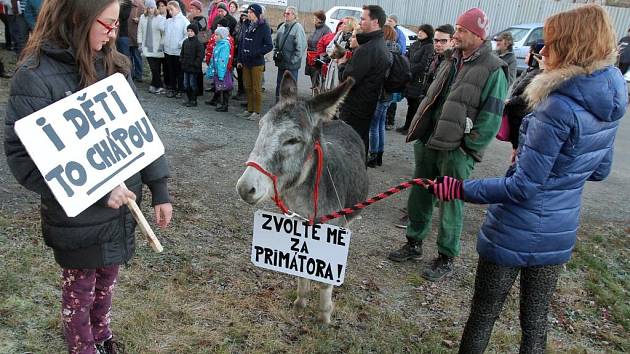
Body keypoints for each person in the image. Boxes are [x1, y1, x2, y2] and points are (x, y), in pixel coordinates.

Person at [430, 5, 626, 352]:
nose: (542, 51)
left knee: (483, 315)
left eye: (550, 43)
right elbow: (599, 170)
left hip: (513, 231)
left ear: (572, 47)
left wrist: (458, 188)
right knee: (535, 322)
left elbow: (523, 187)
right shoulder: (610, 100)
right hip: (559, 232)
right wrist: (550, 162)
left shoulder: (557, 105)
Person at [4, 1, 173, 353]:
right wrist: (95, 189)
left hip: (120, 208)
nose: (114, 33)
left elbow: (141, 132)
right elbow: (24, 158)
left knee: (106, 282)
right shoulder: (34, 76)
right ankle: (82, 345)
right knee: (79, 290)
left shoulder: (114, 67)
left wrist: (159, 188)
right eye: (108, 24)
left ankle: (101, 333)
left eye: (116, 24)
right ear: (79, 18)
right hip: (77, 218)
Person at [391, 8, 508, 282]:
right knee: (419, 194)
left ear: (478, 35)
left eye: (462, 30)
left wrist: (467, 148)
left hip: (457, 150)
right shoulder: (450, 59)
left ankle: (446, 257)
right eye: (456, 28)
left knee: (450, 201)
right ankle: (414, 243)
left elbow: (491, 118)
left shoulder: (493, 69)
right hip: (430, 140)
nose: (456, 34)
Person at [338, 5, 390, 159]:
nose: (360, 22)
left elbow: (348, 79)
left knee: (349, 147)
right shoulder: (379, 44)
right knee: (359, 142)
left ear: (375, 22)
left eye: (363, 19)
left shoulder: (367, 49)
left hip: (355, 107)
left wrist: (342, 64)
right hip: (367, 104)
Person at [367, 24, 400, 168]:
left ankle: (374, 155)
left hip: (381, 93)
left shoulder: (385, 51)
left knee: (373, 126)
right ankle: (379, 154)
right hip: (390, 93)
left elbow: (381, 74)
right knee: (380, 124)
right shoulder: (397, 48)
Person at [503, 40, 544, 155]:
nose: (526, 55)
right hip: (516, 114)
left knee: (519, 149)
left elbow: (526, 96)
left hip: (521, 115)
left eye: (529, 52)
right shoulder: (529, 70)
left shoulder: (537, 74)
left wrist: (510, 101)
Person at [236, 3, 272, 121]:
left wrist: (257, 52)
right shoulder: (246, 24)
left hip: (256, 63)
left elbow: (269, 45)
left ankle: (257, 112)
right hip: (246, 61)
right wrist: (240, 59)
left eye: (251, 12)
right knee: (248, 87)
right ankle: (249, 109)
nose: (249, 14)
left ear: (257, 14)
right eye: (248, 12)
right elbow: (242, 43)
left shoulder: (264, 27)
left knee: (256, 88)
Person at [397, 24, 434, 134]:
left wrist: (409, 69)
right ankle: (406, 126)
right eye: (419, 31)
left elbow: (423, 64)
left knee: (415, 104)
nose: (420, 33)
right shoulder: (415, 44)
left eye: (423, 31)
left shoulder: (429, 46)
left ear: (428, 33)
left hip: (418, 79)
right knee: (410, 103)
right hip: (410, 78)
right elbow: (406, 57)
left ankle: (411, 128)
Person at [273, 6, 306, 102]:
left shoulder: (298, 28)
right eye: (285, 13)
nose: (285, 15)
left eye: (288, 13)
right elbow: (276, 42)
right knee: (279, 85)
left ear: (294, 15)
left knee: (290, 88)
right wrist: (276, 53)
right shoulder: (282, 27)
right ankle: (278, 106)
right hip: (282, 63)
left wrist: (293, 61)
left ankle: (289, 109)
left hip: (291, 66)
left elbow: (301, 47)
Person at [138, 0, 167, 94]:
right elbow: (140, 31)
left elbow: (164, 34)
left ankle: (154, 85)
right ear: (146, 8)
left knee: (156, 68)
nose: (150, 10)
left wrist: (162, 44)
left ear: (155, 8)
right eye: (148, 8)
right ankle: (159, 86)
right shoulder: (143, 17)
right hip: (147, 46)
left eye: (152, 7)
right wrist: (139, 43)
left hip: (157, 46)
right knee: (153, 67)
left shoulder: (160, 18)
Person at [383, 14, 406, 130]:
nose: (388, 21)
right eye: (387, 19)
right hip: (391, 76)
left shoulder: (399, 34)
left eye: (390, 20)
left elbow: (402, 49)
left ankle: (390, 120)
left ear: (396, 22)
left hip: (393, 74)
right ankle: (386, 120)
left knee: (392, 100)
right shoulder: (386, 30)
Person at [163, 0, 189, 98]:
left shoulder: (184, 21)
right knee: (171, 71)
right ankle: (173, 88)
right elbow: (164, 33)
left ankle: (181, 90)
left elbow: (186, 36)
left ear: (177, 8)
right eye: (168, 10)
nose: (170, 12)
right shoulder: (168, 21)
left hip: (178, 51)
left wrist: (179, 44)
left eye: (171, 9)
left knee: (179, 72)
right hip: (168, 51)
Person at [206, 26, 232, 112]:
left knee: (225, 87)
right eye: (215, 34)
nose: (214, 36)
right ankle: (220, 102)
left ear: (222, 36)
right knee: (220, 86)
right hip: (218, 70)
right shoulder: (218, 44)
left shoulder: (224, 46)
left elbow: (222, 60)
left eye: (217, 35)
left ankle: (225, 105)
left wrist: (221, 73)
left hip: (222, 71)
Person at [305, 10, 331, 94]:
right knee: (313, 79)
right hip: (310, 57)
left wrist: (321, 57)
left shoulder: (326, 30)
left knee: (319, 80)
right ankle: (315, 95)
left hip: (318, 59)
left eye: (315, 17)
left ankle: (318, 97)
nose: (314, 19)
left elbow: (327, 46)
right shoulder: (315, 29)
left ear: (320, 19)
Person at [180, 23, 204, 106]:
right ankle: (189, 99)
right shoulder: (185, 42)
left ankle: (194, 100)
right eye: (188, 31)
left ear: (195, 32)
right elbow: (182, 53)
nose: (189, 33)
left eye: (191, 31)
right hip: (186, 67)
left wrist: (195, 64)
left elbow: (200, 56)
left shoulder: (198, 43)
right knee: (186, 84)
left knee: (192, 84)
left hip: (193, 69)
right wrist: (182, 61)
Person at [128, 0, 145, 82]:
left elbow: (146, 19)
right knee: (129, 58)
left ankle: (139, 75)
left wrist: (139, 20)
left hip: (137, 37)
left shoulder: (141, 6)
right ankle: (131, 75)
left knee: (137, 58)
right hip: (127, 36)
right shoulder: (125, 5)